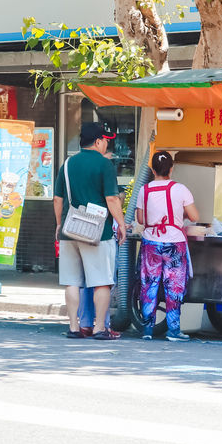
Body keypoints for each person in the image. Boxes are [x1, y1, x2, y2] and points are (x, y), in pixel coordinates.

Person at [54, 122, 127, 340]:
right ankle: (99, 329)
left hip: (69, 230)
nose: (107, 144)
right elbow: (112, 199)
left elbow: (58, 200)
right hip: (98, 233)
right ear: (97, 141)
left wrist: (59, 224)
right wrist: (121, 223)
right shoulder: (104, 165)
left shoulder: (67, 164)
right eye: (106, 140)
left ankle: (74, 327)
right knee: (101, 282)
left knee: (72, 281)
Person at [136, 150, 199, 341]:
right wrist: (181, 214)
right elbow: (195, 217)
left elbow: (140, 218)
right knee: (174, 287)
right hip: (174, 244)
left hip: (151, 242)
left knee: (149, 285)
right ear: (171, 169)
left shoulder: (144, 190)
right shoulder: (180, 189)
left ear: (153, 170)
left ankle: (147, 330)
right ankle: (173, 331)